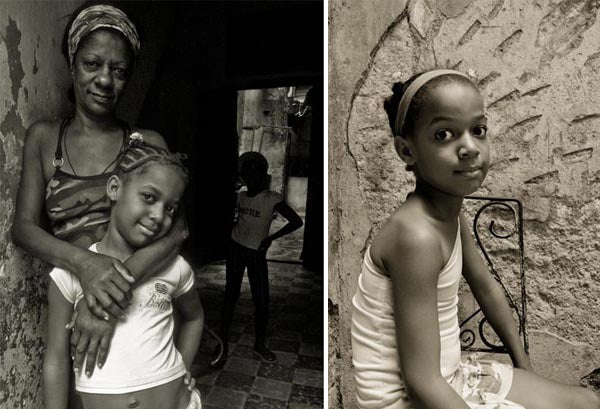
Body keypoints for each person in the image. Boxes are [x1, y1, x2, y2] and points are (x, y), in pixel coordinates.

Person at [350, 69, 600, 409]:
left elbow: (487, 289)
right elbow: (422, 383)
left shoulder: (447, 215)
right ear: (407, 151)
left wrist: (525, 369)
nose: (469, 147)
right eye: (443, 135)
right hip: (410, 399)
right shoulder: (415, 236)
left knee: (586, 402)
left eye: (478, 130)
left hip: (451, 378)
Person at [12, 3, 187, 406]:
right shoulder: (44, 139)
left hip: (137, 308)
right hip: (73, 302)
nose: (105, 79)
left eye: (120, 70)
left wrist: (110, 294)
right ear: (72, 64)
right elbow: (23, 228)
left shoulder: (147, 145)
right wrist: (85, 266)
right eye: (92, 63)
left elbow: (177, 230)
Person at [44, 139, 203, 409]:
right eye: (149, 198)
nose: (158, 216)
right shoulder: (70, 274)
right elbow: (56, 360)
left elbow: (195, 317)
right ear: (115, 188)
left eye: (170, 209)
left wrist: (183, 366)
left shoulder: (175, 267)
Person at [213, 151, 303, 365]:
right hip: (236, 248)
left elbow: (296, 222)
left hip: (256, 253)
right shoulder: (241, 196)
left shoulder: (271, 199)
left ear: (263, 175)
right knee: (230, 296)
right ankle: (222, 342)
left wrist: (271, 238)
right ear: (243, 176)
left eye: (256, 173)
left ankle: (259, 345)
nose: (251, 177)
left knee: (261, 301)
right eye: (247, 173)